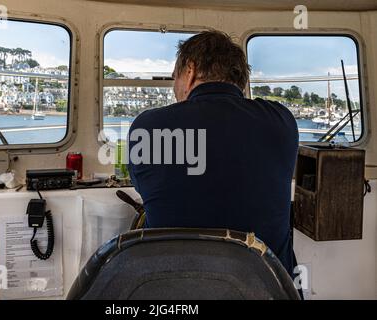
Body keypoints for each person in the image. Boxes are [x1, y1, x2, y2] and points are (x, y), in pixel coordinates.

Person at [127, 30, 299, 277]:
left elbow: (148, 188)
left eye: (174, 78)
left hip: (175, 287)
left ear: (190, 71)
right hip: (268, 289)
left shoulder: (148, 128)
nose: (175, 88)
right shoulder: (281, 121)